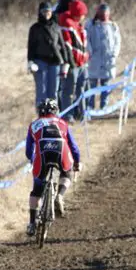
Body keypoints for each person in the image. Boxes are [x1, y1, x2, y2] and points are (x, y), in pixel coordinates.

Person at [25, 98, 81, 235]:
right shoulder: (62, 123)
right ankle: (60, 195)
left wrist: (33, 160)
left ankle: (32, 223)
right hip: (61, 151)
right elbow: (74, 148)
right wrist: (77, 163)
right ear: (55, 111)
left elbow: (28, 151)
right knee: (67, 173)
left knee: (36, 190)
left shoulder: (34, 125)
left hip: (42, 153)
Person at [27, 1, 71, 107]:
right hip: (40, 62)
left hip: (54, 62)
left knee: (53, 92)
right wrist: (30, 61)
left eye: (49, 11)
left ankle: (53, 115)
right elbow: (31, 46)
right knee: (41, 91)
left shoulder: (56, 27)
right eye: (44, 11)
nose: (47, 13)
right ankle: (41, 115)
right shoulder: (35, 28)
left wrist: (65, 62)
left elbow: (62, 45)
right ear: (40, 13)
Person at [58, 0, 89, 118]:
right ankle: (67, 115)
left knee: (83, 89)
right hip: (72, 64)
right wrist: (72, 61)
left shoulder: (78, 25)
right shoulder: (67, 25)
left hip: (82, 63)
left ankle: (82, 113)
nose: (84, 17)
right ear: (77, 14)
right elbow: (68, 46)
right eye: (82, 14)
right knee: (68, 91)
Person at [87, 4, 121, 110]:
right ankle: (90, 107)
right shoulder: (91, 25)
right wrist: (90, 52)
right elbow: (86, 39)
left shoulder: (113, 26)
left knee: (105, 85)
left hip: (107, 60)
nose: (104, 15)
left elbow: (117, 41)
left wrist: (114, 54)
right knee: (92, 85)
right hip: (94, 60)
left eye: (106, 13)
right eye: (102, 13)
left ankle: (104, 107)